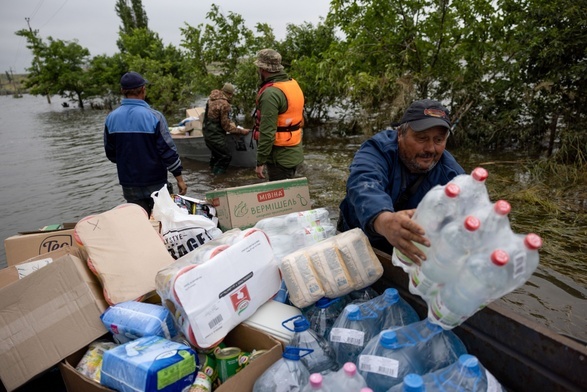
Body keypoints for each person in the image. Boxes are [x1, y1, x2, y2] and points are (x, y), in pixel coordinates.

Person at [338, 99, 465, 263]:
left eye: (438, 140)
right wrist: (385, 221)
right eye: (421, 138)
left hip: (403, 249)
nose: (430, 149)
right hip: (357, 234)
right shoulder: (378, 150)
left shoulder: (452, 175)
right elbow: (363, 184)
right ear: (400, 134)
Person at [104, 71, 187, 216]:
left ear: (123, 91)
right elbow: (167, 151)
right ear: (143, 89)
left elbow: (111, 153)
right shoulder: (154, 116)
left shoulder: (111, 118)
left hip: (129, 183)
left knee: (141, 223)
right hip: (156, 181)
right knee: (163, 222)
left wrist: (129, 163)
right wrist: (179, 178)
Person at [253, 49, 305, 181]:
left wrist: (260, 162)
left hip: (279, 157)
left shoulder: (271, 93)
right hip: (294, 151)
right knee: (289, 196)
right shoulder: (292, 84)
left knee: (280, 198)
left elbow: (267, 132)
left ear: (262, 69)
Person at [202, 83, 250, 174]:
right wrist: (241, 131)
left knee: (216, 156)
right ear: (230, 94)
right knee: (226, 156)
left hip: (206, 133)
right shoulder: (225, 104)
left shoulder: (211, 99)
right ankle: (218, 178)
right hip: (215, 135)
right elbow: (226, 127)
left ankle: (211, 177)